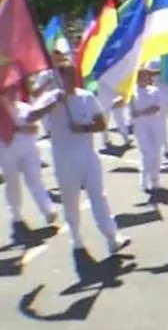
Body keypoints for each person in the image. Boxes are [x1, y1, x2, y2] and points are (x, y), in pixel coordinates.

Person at [44, 64, 130, 255]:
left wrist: (83, 128)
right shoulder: (51, 99)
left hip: (87, 155)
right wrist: (53, 103)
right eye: (67, 77)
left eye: (74, 76)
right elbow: (31, 116)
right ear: (59, 78)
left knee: (99, 196)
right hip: (63, 158)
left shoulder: (86, 97)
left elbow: (102, 123)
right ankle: (76, 238)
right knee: (71, 200)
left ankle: (112, 236)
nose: (71, 80)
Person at [0, 84, 60, 242]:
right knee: (13, 184)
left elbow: (34, 129)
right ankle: (16, 215)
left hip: (28, 151)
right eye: (9, 91)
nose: (13, 94)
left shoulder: (24, 107)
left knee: (35, 180)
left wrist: (18, 129)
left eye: (15, 90)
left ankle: (48, 210)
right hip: (7, 152)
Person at [128, 63, 166, 197]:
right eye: (141, 76)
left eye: (146, 76)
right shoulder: (131, 92)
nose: (144, 79)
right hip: (140, 127)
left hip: (155, 125)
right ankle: (144, 180)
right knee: (147, 154)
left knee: (156, 153)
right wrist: (134, 112)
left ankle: (155, 180)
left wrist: (141, 112)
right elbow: (130, 110)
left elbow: (156, 107)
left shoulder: (154, 91)